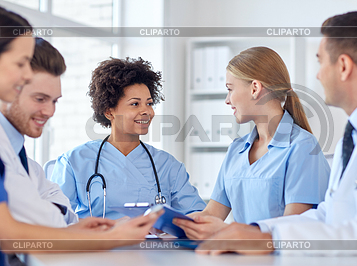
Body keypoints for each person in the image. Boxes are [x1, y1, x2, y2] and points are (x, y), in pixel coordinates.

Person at [196, 11, 357, 257]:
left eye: (320, 61)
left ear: (343, 66)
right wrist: (258, 231)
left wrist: (270, 239)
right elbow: (327, 216)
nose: (318, 74)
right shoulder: (356, 134)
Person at [0, 7, 162, 266]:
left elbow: (54, 216)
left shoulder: (23, 159)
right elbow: (8, 233)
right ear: (109, 111)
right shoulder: (72, 160)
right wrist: (110, 238)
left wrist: (81, 231)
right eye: (20, 64)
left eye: (55, 101)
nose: (50, 111)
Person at [174, 46, 330, 239]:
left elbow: (293, 226)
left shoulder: (303, 147)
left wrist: (231, 233)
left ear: (255, 88)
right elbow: (211, 215)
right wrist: (171, 223)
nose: (227, 100)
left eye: (230, 90)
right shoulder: (236, 150)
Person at [50, 57, 206, 219]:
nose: (147, 111)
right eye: (135, 104)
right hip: (98, 244)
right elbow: (55, 219)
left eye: (149, 103)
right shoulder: (75, 161)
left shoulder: (168, 165)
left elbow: (196, 215)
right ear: (109, 111)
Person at [0, 37, 78, 227]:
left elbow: (67, 214)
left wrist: (49, 211)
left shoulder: (26, 162)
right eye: (40, 99)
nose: (50, 112)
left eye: (54, 101)